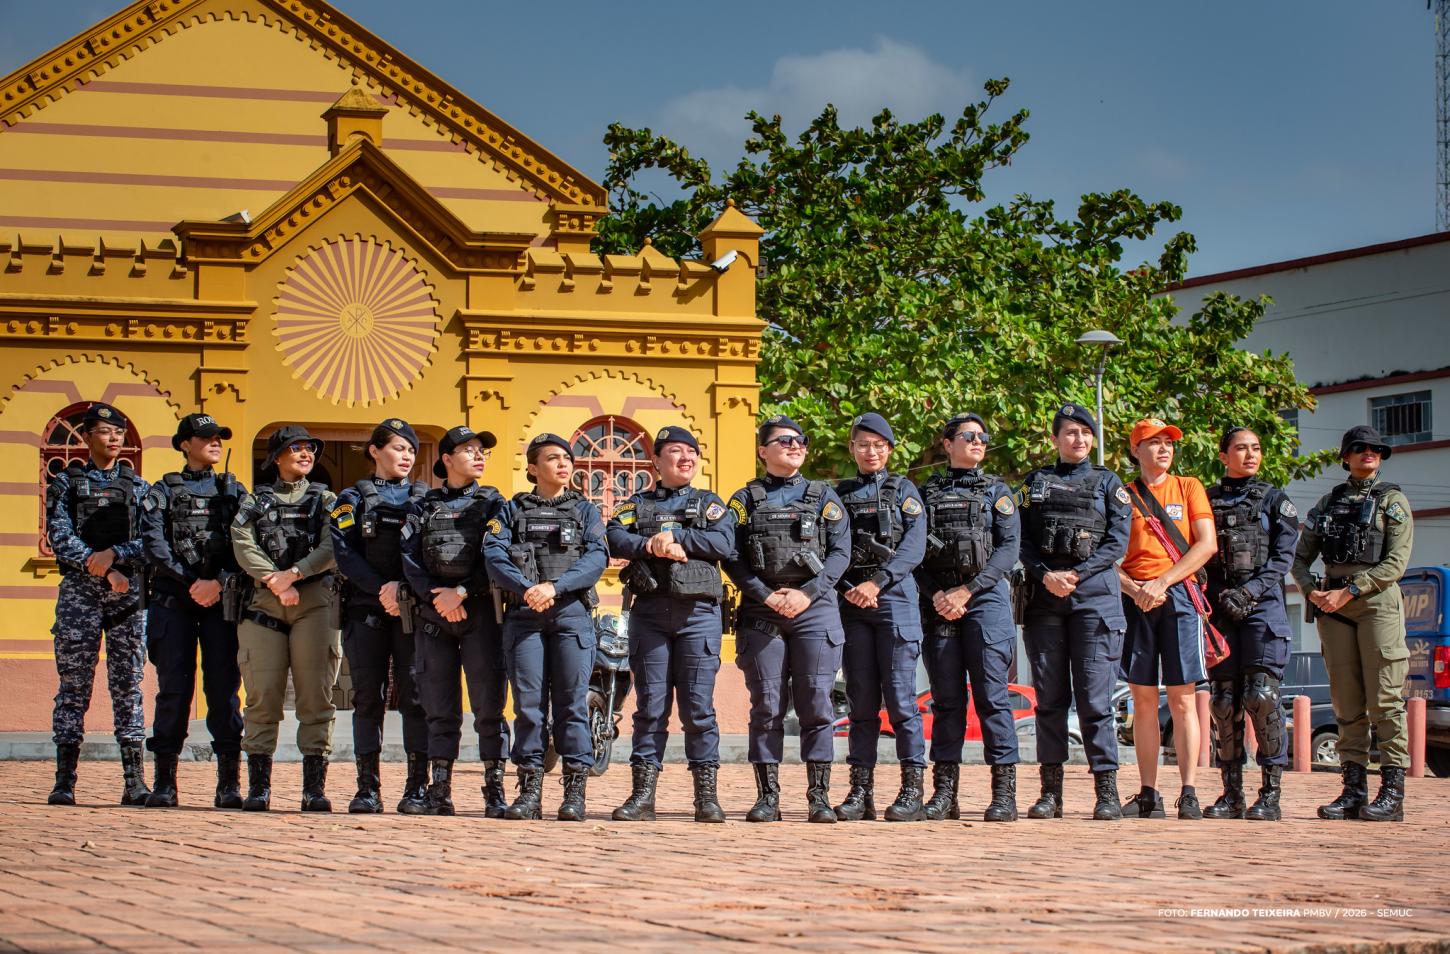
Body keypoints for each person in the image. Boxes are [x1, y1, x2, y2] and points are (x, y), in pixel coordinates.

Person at [724, 414, 851, 823]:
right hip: (763, 611)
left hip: (815, 609)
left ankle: (818, 797)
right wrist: (764, 594)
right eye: (784, 441)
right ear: (763, 451)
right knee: (767, 705)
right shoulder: (744, 501)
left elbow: (840, 555)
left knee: (817, 703)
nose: (795, 446)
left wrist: (806, 593)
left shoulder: (824, 496)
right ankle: (768, 798)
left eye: (801, 440)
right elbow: (731, 556)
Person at [606, 426, 733, 823]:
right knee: (650, 708)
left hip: (698, 617)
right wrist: (647, 545)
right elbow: (612, 535)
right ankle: (642, 797)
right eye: (675, 452)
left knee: (698, 708)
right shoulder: (637, 504)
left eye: (691, 452)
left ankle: (706, 798)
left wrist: (677, 537)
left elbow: (725, 544)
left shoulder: (710, 504)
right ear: (656, 462)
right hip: (650, 616)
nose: (685, 458)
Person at [1292, 425, 1414, 822]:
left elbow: (1396, 563)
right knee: (1346, 703)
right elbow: (1299, 561)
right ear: (1346, 456)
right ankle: (1353, 791)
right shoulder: (1328, 503)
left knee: (1385, 700)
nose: (1369, 453)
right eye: (1360, 448)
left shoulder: (1392, 501)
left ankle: (1392, 794)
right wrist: (1313, 593)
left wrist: (1351, 590)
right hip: (1333, 609)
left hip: (1376, 604)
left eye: (1376, 449)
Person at [1017, 403, 1131, 821]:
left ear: (1093, 439)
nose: (1078, 439)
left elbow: (1117, 542)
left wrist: (1077, 574)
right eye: (1069, 432)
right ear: (1055, 439)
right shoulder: (1034, 483)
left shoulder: (1108, 483)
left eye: (1085, 432)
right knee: (1049, 700)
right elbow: (1019, 540)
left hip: (1094, 602)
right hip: (1045, 603)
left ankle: (1106, 791)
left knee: (1094, 701)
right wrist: (1045, 574)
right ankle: (1051, 793)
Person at [485, 433, 607, 821]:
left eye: (567, 458)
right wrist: (526, 589)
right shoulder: (510, 510)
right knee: (529, 707)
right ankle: (530, 790)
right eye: (553, 459)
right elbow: (493, 554)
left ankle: (574, 793)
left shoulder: (585, 511)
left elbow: (596, 558)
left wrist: (554, 587)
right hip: (525, 617)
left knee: (572, 705)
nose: (563, 464)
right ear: (534, 468)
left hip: (571, 614)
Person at [44, 402, 151, 807]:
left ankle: (134, 782)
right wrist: (105, 569)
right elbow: (59, 535)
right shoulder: (67, 485)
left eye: (119, 432)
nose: (114, 438)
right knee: (73, 687)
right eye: (105, 431)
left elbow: (151, 541)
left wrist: (118, 554)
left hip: (127, 598)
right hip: (80, 594)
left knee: (129, 687)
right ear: (88, 436)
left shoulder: (139, 489)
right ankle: (64, 781)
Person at [916, 413, 1022, 822]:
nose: (978, 442)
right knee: (946, 702)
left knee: (993, 698)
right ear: (947, 444)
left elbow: (1008, 549)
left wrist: (968, 591)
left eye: (983, 437)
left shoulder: (998, 491)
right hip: (939, 599)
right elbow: (913, 552)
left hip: (985, 600)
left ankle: (1004, 794)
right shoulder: (927, 494)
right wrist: (939, 594)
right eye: (968, 436)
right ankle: (945, 794)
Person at [400, 425, 509, 816]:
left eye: (482, 450)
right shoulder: (423, 506)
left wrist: (460, 592)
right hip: (434, 615)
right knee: (438, 706)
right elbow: (410, 559)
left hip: (480, 610)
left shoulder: (495, 503)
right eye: (468, 450)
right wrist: (437, 596)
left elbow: (498, 557)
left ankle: (494, 789)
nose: (479, 456)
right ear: (446, 460)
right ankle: (439, 789)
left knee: (488, 707)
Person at [139, 413, 246, 809]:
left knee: (224, 693)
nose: (215, 442)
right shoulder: (163, 490)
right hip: (174, 602)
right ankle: (165, 783)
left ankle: (229, 784)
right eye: (206, 437)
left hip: (220, 602)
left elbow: (246, 542)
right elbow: (154, 544)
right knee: (174, 692)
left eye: (219, 437)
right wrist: (191, 583)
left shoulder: (233, 490)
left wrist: (217, 582)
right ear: (184, 444)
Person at [231, 426, 340, 812]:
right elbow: (241, 542)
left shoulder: (326, 499)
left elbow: (333, 545)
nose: (305, 453)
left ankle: (314, 790)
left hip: (314, 603)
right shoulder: (255, 500)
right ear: (276, 457)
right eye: (295, 448)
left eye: (310, 447)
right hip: (263, 605)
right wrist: (273, 580)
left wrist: (293, 574)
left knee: (316, 697)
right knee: (262, 698)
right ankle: (259, 788)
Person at [1117, 417, 1217, 820]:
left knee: (1182, 698)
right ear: (1135, 450)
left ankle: (1189, 790)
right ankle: (1147, 792)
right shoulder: (1122, 496)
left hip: (1177, 595)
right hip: (1136, 598)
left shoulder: (1188, 487)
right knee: (1142, 700)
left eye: (1168, 443)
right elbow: (1108, 556)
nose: (1163, 449)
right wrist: (1134, 588)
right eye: (1153, 442)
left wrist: (1162, 582)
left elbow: (1205, 545)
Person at [832, 413, 929, 822]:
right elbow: (826, 547)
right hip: (852, 604)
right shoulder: (837, 494)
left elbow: (914, 546)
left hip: (894, 601)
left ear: (889, 449)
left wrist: (877, 583)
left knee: (902, 702)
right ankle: (861, 791)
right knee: (861, 704)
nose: (871, 451)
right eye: (863, 444)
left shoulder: (904, 490)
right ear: (852, 449)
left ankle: (912, 791)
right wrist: (848, 589)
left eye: (878, 445)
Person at [331, 419, 430, 814]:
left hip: (411, 612)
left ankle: (416, 788)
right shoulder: (351, 498)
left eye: (411, 450)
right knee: (367, 700)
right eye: (398, 448)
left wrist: (402, 588)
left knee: (415, 699)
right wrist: (381, 589)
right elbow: (344, 553)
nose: (406, 456)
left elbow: (431, 551)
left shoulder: (424, 500)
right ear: (374, 451)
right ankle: (367, 788)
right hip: (365, 611)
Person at [1202, 426, 1299, 821]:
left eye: (1256, 448)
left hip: (1262, 608)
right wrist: (1216, 596)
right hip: (1220, 608)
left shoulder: (1276, 500)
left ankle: (1271, 794)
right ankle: (1232, 794)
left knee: (1262, 697)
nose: (1250, 455)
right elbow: (1197, 550)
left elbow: (1282, 558)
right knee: (1224, 703)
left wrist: (1249, 593)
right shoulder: (1205, 499)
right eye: (1241, 448)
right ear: (1223, 455)